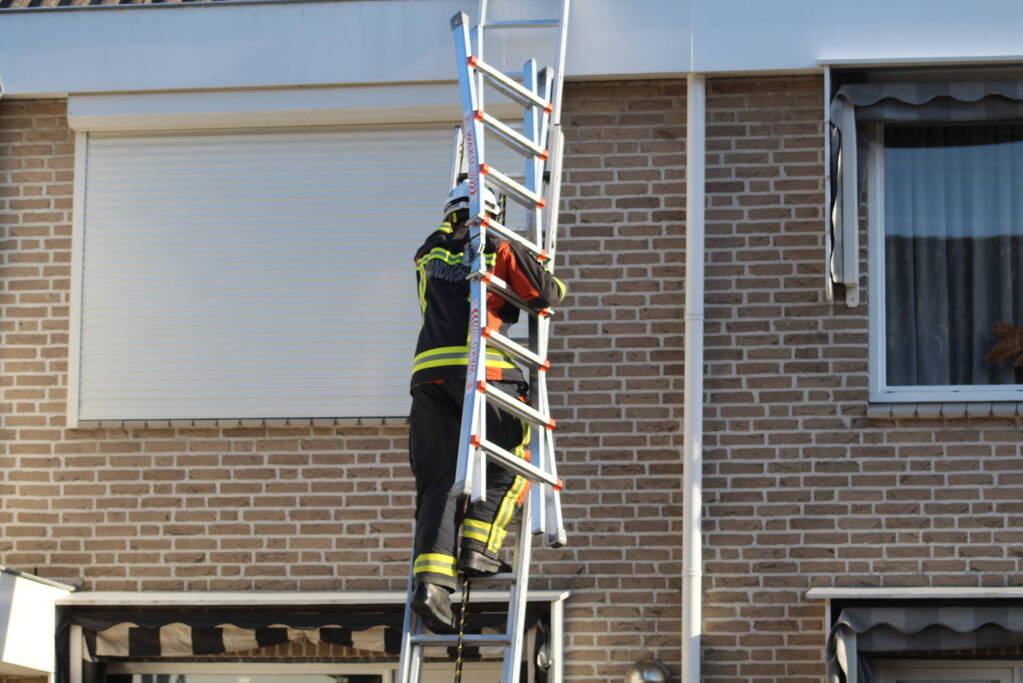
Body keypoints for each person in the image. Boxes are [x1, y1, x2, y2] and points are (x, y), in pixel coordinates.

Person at [408, 180, 566, 633]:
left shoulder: (428, 250)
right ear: (494, 212)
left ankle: (432, 585)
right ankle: (480, 547)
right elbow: (546, 296)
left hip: (429, 378)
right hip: (486, 371)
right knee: (514, 458)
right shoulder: (496, 245)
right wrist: (542, 267)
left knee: (438, 481)